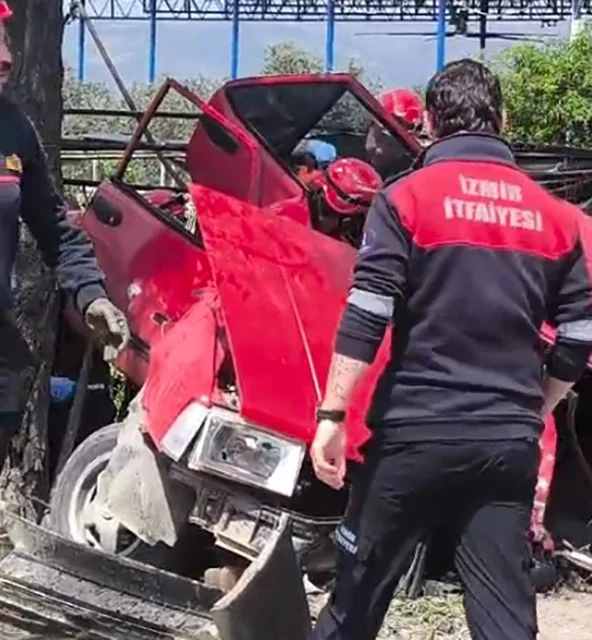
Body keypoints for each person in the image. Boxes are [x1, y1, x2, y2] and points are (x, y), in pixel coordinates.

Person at [310, 58, 592, 640]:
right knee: (505, 620)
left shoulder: (404, 200)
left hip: (412, 438)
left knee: (354, 606)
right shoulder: (559, 219)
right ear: (503, 119)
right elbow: (580, 336)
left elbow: (368, 313)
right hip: (506, 446)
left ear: (432, 124)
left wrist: (332, 415)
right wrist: (534, 408)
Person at [0, 2, 130, 466]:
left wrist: (91, 296)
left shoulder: (14, 129)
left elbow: (57, 230)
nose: (6, 58)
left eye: (6, 42)